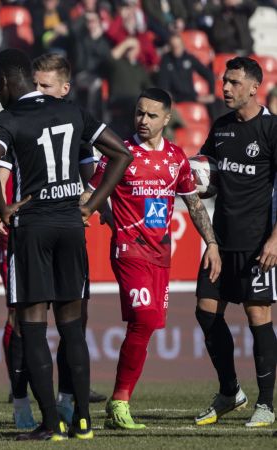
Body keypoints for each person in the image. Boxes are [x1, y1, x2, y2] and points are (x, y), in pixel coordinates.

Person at [0, 48, 133, 440]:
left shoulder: (7, 118)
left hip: (33, 228)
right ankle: (82, 420)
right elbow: (120, 153)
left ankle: (51, 423)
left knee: (32, 327)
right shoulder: (73, 110)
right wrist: (93, 204)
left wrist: (4, 209)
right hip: (70, 224)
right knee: (72, 328)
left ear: (3, 83)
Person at [84, 88, 220, 429]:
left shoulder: (176, 158)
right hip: (129, 249)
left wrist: (212, 244)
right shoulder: (119, 153)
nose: (143, 120)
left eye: (151, 115)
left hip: (161, 254)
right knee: (144, 319)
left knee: (145, 327)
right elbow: (92, 192)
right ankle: (119, 402)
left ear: (167, 119)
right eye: (139, 113)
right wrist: (105, 216)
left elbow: (194, 205)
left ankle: (120, 403)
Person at [194, 56, 277, 428]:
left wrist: (275, 239)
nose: (225, 88)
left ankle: (267, 404)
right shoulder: (222, 127)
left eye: (233, 82)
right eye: (224, 81)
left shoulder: (272, 130)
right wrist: (195, 178)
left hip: (258, 242)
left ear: (254, 87)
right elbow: (209, 178)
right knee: (205, 311)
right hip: (221, 240)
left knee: (257, 315)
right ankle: (230, 390)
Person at [29, 54, 108, 425]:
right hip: (51, 225)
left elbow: (95, 166)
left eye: (46, 86)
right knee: (50, 323)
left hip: (56, 227)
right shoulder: (39, 118)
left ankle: (60, 408)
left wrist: (90, 202)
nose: (38, 93)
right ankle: (67, 414)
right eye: (35, 85)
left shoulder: (70, 118)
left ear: (64, 88)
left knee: (60, 321)